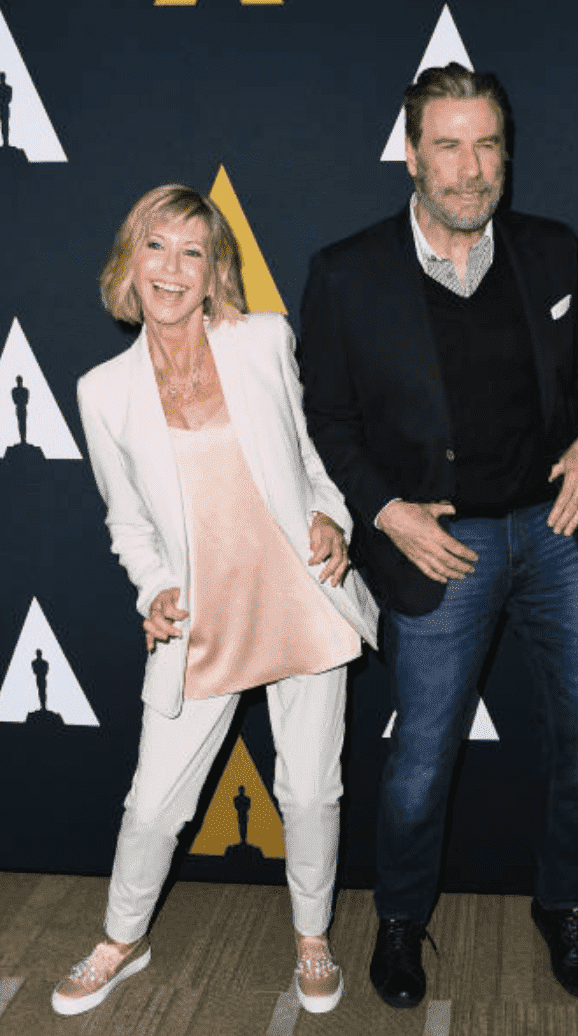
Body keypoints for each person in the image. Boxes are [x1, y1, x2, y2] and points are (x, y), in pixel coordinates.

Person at [300, 63, 578, 1008]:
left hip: (557, 533)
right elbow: (327, 418)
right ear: (412, 154)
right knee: (420, 762)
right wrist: (387, 511)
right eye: (447, 145)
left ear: (506, 153)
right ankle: (401, 921)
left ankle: (565, 906)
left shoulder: (552, 250)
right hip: (441, 548)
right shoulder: (347, 272)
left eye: (487, 144)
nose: (470, 168)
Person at [51, 184, 378, 1017]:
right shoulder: (102, 392)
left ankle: (312, 940)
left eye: (192, 252)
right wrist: (155, 589)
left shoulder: (264, 340)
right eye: (156, 247)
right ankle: (120, 941)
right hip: (202, 622)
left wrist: (332, 521)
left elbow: (312, 462)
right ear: (130, 262)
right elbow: (128, 524)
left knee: (309, 792)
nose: (172, 268)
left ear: (214, 271)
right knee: (154, 802)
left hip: (301, 596)